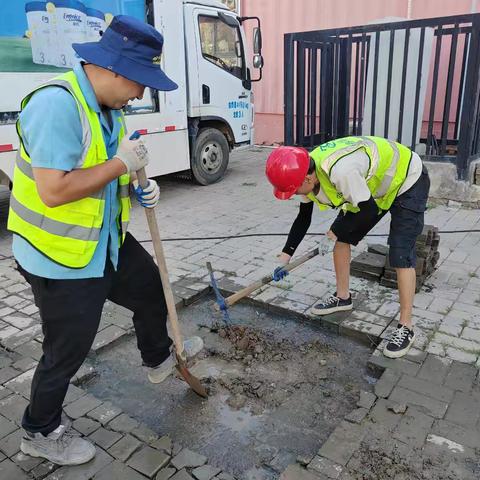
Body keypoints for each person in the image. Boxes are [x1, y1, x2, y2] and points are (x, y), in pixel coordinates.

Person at [7, 15, 201, 466]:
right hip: (58, 257)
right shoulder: (58, 106)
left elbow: (100, 171)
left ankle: (157, 359)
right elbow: (54, 191)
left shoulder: (108, 107)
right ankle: (39, 431)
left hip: (103, 242)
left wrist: (134, 185)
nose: (141, 94)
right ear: (113, 69)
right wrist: (120, 165)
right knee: (66, 351)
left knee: (152, 291)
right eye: (139, 83)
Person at [266, 136, 430, 359]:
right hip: (372, 188)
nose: (295, 193)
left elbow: (368, 212)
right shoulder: (304, 172)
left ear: (308, 177)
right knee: (341, 240)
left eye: (294, 190)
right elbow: (303, 217)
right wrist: (286, 254)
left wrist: (333, 233)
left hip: (407, 180)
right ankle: (343, 297)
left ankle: (406, 327)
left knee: (400, 253)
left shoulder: (341, 171)